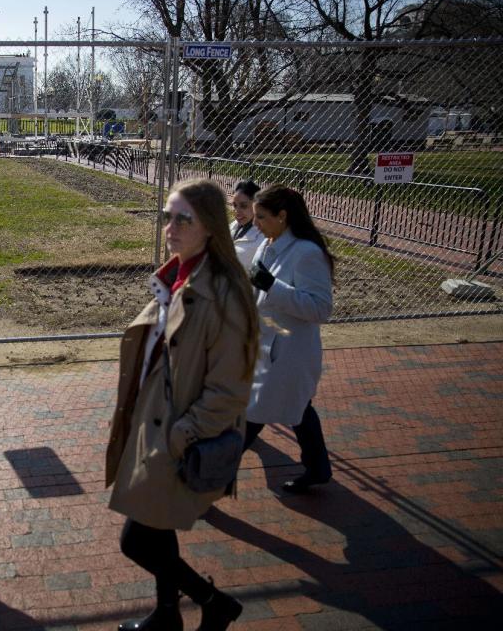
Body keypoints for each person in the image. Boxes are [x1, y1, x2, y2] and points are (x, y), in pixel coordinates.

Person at [105, 179, 259, 631]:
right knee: (157, 527)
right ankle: (169, 615)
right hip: (151, 423)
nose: (170, 227)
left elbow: (230, 389)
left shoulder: (226, 294)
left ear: (210, 226)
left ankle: (214, 602)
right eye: (167, 216)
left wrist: (182, 434)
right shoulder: (179, 274)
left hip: (176, 435)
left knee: (137, 540)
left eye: (183, 219)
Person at [244, 184, 335, 494]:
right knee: (298, 409)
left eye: (261, 216)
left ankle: (202, 483)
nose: (254, 222)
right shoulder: (268, 245)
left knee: (249, 417)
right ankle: (319, 467)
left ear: (282, 216)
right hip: (264, 347)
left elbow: (321, 308)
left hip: (288, 354)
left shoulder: (307, 253)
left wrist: (273, 287)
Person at [229, 180, 266, 271]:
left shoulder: (264, 237)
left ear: (256, 205)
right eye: (234, 205)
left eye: (243, 206)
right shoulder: (233, 226)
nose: (237, 212)